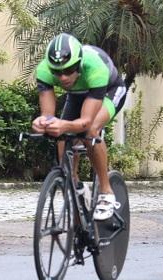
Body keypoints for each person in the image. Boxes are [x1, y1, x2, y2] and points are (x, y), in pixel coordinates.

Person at [32, 33, 127, 220]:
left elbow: (85, 122)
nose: (63, 77)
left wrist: (65, 125)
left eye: (69, 70)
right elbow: (48, 115)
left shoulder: (95, 67)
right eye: (57, 72)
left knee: (89, 131)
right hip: (77, 94)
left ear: (79, 62)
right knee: (59, 135)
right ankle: (75, 186)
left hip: (109, 90)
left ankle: (106, 192)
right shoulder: (44, 70)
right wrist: (42, 122)